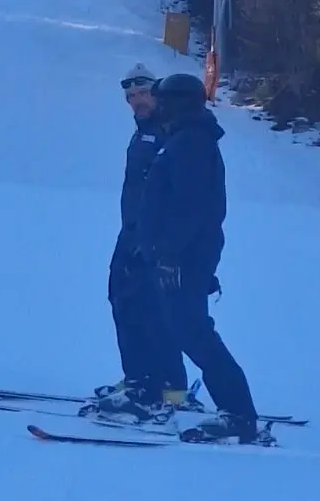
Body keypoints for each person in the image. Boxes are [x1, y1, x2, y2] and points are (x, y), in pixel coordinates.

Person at [137, 73, 261, 442]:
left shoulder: (190, 142)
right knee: (185, 329)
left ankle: (239, 414)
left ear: (179, 103)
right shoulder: (181, 139)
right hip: (183, 253)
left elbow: (190, 208)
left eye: (163, 100)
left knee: (193, 331)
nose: (157, 106)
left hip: (185, 255)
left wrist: (171, 255)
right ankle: (232, 410)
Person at [94, 65, 189, 418]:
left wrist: (158, 238)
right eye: (131, 97)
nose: (137, 101)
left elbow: (172, 192)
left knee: (149, 309)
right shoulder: (142, 133)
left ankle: (162, 384)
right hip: (131, 232)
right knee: (123, 301)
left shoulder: (166, 131)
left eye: (143, 93)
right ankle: (139, 376)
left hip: (151, 237)